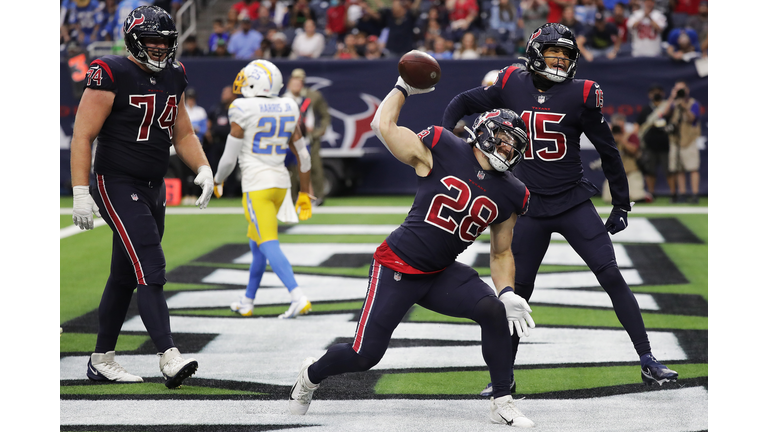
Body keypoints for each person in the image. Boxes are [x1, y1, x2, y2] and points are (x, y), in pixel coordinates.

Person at [289, 64, 536, 428]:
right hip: (398, 265)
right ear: (484, 133)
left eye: (513, 146)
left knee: (494, 311)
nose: (507, 149)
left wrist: (508, 290)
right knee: (364, 354)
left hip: (440, 272)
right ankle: (310, 376)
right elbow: (382, 127)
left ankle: (502, 399)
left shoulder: (512, 192)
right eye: (503, 139)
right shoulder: (444, 146)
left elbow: (500, 252)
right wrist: (403, 87)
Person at [441, 22, 678, 396]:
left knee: (611, 274)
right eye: (554, 52)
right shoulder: (509, 82)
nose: (561, 59)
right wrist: (447, 146)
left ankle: (647, 359)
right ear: (535, 52)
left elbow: (608, 150)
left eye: (567, 54)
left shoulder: (582, 93)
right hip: (528, 206)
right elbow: (462, 104)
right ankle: (503, 378)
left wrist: (620, 202)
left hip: (572, 200)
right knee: (517, 295)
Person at [70, 5, 213, 388]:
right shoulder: (110, 71)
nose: (159, 49)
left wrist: (203, 167)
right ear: (133, 40)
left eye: (165, 42)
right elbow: (83, 135)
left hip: (153, 185)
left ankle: (101, 359)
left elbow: (182, 133)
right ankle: (168, 355)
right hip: (116, 181)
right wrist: (81, 191)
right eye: (151, 41)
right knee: (150, 265)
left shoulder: (175, 74)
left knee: (124, 275)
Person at [214, 60, 316, 319]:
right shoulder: (288, 105)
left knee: (268, 243)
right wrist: (305, 192)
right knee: (257, 244)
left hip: (257, 186)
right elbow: (304, 156)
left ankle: (297, 296)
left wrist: (218, 179)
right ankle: (247, 300)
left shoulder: (242, 107)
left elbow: (228, 157)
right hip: (282, 185)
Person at [283, 68, 331, 205]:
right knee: (290, 170)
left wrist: (317, 131)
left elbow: (320, 115)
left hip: (306, 138)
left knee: (313, 167)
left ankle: (317, 196)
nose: (297, 85)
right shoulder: (283, 100)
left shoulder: (310, 97)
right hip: (288, 140)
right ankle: (290, 198)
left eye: (300, 82)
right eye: (295, 82)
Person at [634, 83, 674, 201]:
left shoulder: (668, 108)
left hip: (666, 145)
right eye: (654, 92)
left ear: (663, 94)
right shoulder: (646, 110)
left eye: (658, 92)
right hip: (650, 145)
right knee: (650, 171)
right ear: (649, 95)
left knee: (669, 170)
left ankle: (673, 194)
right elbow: (638, 126)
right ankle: (651, 193)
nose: (656, 94)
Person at [600, 113, 651, 203]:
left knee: (637, 197)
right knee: (608, 199)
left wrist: (622, 140)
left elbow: (634, 151)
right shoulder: (607, 137)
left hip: (631, 171)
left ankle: (644, 194)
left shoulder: (630, 135)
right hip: (615, 173)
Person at [665, 80, 702, 203]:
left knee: (692, 167)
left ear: (687, 90)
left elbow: (693, 118)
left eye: (681, 89)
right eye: (677, 89)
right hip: (676, 139)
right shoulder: (673, 103)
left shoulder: (693, 103)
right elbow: (664, 113)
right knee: (678, 168)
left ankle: (695, 194)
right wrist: (672, 97)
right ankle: (682, 193)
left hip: (689, 139)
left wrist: (684, 107)